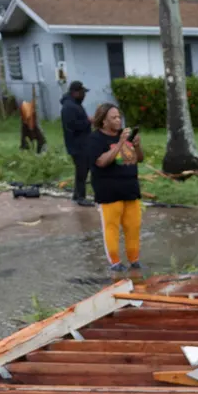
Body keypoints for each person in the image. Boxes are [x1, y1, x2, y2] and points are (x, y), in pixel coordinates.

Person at [86, 103, 144, 273]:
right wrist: (119, 143)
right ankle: (115, 264)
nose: (118, 120)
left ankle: (134, 261)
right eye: (114, 118)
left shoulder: (125, 135)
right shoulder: (95, 139)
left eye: (119, 117)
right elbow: (101, 162)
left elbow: (138, 159)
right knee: (111, 228)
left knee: (133, 226)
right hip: (109, 192)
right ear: (104, 121)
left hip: (130, 189)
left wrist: (137, 145)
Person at [59, 81, 93, 205]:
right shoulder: (69, 107)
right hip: (77, 145)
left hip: (81, 143)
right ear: (75, 93)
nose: (84, 95)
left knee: (82, 170)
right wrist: (89, 122)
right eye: (82, 93)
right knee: (82, 170)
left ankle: (77, 195)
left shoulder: (74, 104)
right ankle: (80, 197)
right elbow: (73, 125)